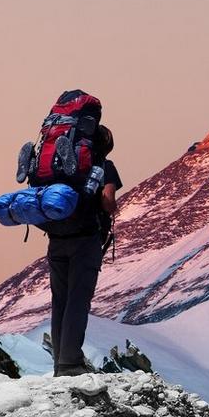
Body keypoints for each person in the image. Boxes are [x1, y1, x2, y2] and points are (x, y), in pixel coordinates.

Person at [46, 125, 122, 377]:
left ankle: (60, 362)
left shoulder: (61, 167)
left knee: (60, 301)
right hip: (86, 241)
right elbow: (108, 200)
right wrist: (111, 208)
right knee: (78, 300)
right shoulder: (105, 166)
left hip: (57, 238)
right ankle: (70, 363)